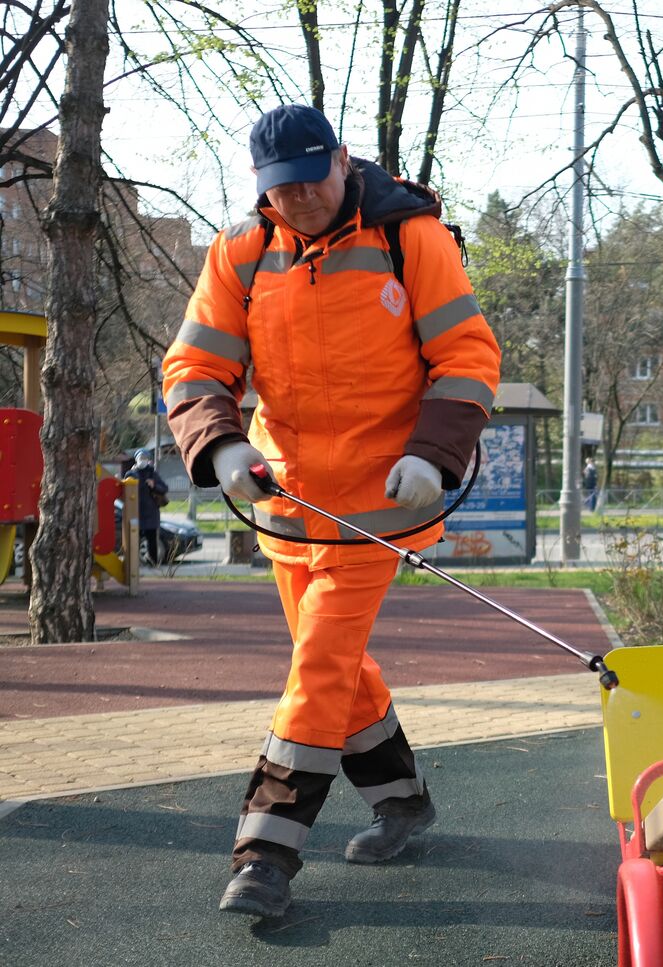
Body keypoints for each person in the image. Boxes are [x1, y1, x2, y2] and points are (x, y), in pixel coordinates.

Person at [162, 105, 501, 918]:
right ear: (259, 187)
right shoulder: (242, 253)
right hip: (287, 507)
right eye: (282, 189)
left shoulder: (409, 240)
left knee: (316, 669)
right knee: (339, 671)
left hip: (382, 507)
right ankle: (404, 800)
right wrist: (220, 444)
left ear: (344, 161)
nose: (301, 199)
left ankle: (265, 852)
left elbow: (468, 355)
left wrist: (434, 453)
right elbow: (195, 362)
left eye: (313, 179)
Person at [131, 449, 168, 565]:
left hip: (151, 515)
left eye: (145, 458)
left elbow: (164, 488)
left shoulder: (152, 473)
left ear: (148, 460)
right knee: (134, 541)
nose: (143, 461)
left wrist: (154, 485)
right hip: (136, 513)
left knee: (152, 541)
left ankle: (154, 563)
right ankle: (134, 565)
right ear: (136, 459)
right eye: (141, 458)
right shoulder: (132, 473)